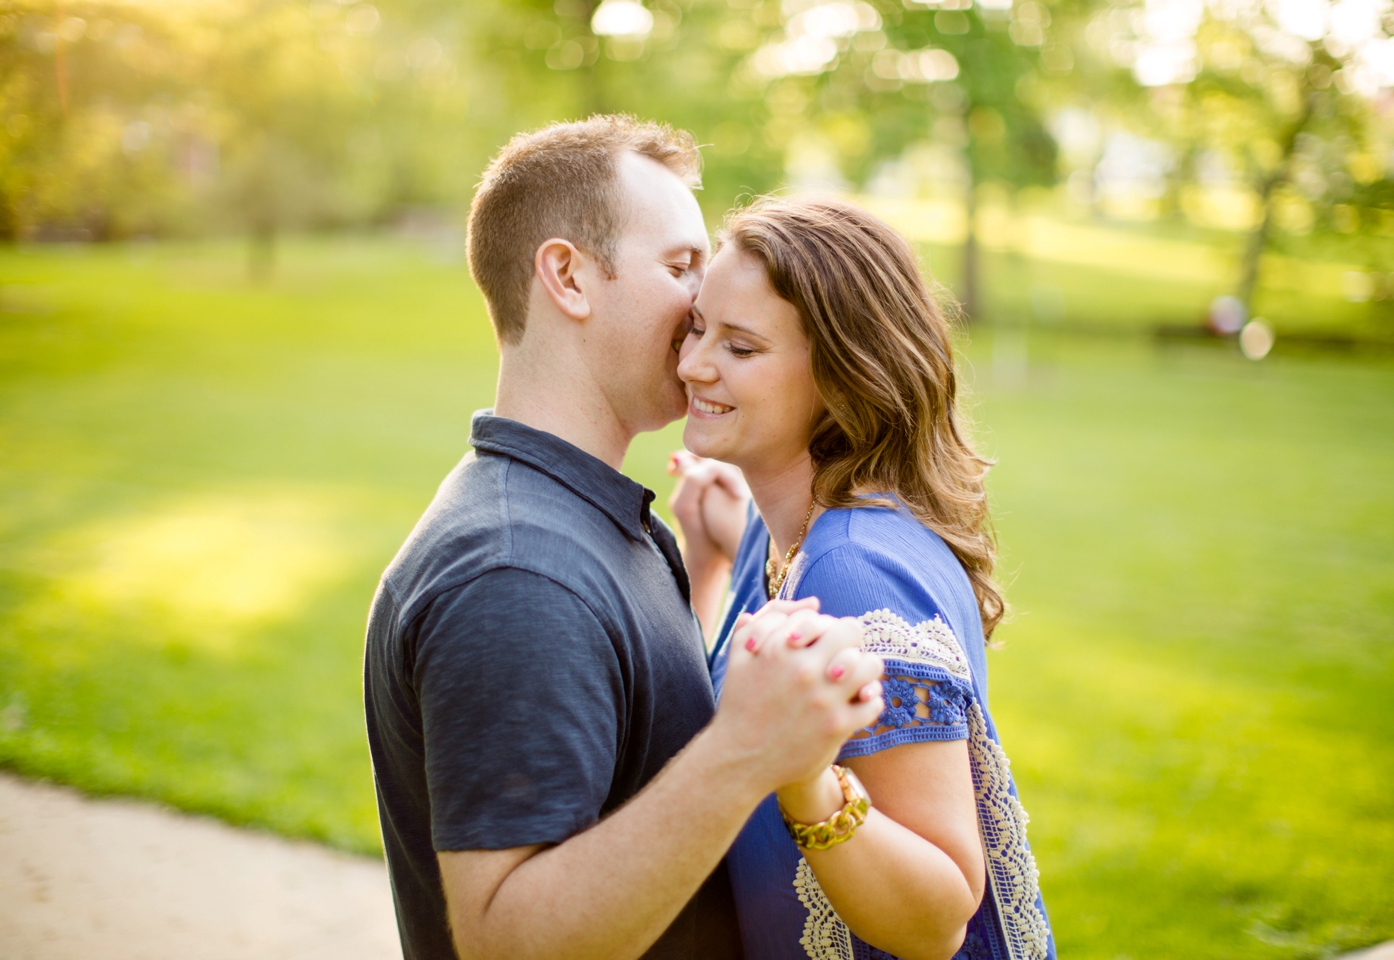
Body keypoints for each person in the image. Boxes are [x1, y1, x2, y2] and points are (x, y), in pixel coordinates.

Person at [363, 117, 888, 960]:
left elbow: (629, 763)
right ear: (568, 276)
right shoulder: (517, 572)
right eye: (681, 267)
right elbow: (507, 941)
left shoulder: (585, 519)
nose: (704, 305)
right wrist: (745, 753)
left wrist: (705, 578)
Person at [669, 196, 1057, 960]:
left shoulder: (854, 569)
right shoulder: (783, 536)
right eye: (696, 327)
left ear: (845, 376)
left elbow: (939, 914)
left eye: (740, 348)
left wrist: (806, 777)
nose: (692, 364)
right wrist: (711, 553)